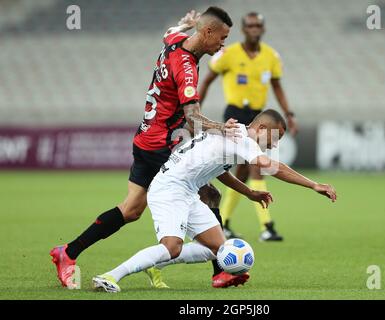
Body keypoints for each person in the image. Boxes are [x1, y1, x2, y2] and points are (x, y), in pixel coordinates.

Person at [50, 7, 241, 289]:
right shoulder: (186, 67)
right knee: (208, 192)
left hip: (145, 137)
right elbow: (192, 116)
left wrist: (186, 24)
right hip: (160, 144)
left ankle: (67, 252)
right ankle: (221, 270)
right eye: (222, 37)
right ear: (208, 31)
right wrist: (222, 128)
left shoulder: (175, 41)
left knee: (130, 210)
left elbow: (170, 32)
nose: (223, 44)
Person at [92, 109, 337, 293]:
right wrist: (313, 184)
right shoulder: (242, 137)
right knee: (171, 246)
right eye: (276, 136)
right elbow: (273, 167)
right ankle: (111, 276)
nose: (275, 143)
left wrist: (249, 193)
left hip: (187, 190)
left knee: (218, 250)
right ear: (262, 128)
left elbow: (220, 170)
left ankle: (156, 264)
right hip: (169, 189)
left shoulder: (234, 135)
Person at [198, 12, 299, 242]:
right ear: (243, 29)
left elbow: (277, 86)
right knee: (257, 167)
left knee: (243, 172)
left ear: (262, 29)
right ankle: (267, 226)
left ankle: (223, 221)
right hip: (235, 114)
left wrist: (289, 114)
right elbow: (206, 81)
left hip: (259, 117)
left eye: (258, 25)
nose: (255, 29)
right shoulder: (228, 53)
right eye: (250, 25)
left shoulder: (270, 56)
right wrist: (196, 112)